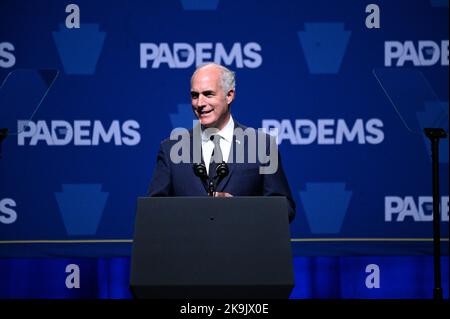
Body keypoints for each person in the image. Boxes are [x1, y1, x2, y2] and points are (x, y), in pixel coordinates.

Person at [148, 63, 296, 222]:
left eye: (208, 94)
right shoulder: (171, 149)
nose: (200, 103)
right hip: (188, 245)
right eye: (195, 95)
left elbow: (285, 209)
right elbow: (152, 212)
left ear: (229, 95)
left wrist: (240, 209)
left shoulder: (262, 146)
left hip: (243, 245)